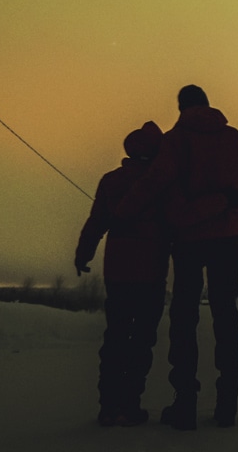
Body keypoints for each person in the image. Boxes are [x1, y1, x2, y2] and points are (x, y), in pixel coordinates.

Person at [117, 84, 238, 430]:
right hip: (228, 238)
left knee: (184, 320)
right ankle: (226, 405)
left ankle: (185, 404)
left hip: (188, 241)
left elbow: (155, 182)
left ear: (181, 107)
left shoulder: (175, 140)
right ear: (208, 105)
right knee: (226, 317)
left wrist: (123, 212)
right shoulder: (235, 138)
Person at [73, 122, 169, 428]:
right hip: (151, 273)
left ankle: (108, 407)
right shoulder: (162, 184)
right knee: (141, 341)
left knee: (115, 337)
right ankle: (130, 406)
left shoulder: (111, 181)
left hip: (117, 271)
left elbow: (96, 222)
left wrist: (83, 254)